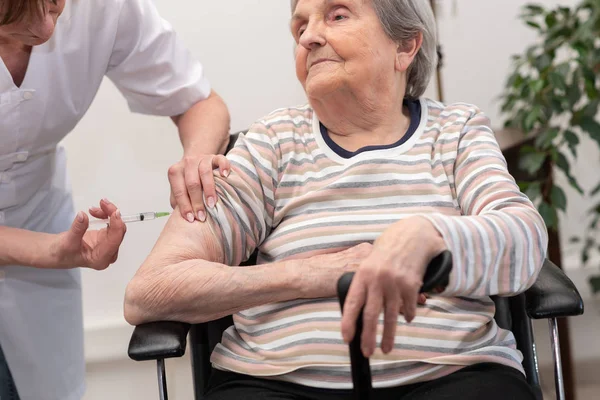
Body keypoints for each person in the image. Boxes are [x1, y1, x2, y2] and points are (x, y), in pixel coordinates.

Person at [124, 0, 548, 399]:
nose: (308, 36)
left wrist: (430, 236)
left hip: (450, 373)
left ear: (405, 45)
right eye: (300, 26)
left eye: (337, 15)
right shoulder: (271, 143)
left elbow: (524, 240)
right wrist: (312, 274)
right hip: (276, 382)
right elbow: (151, 290)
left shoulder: (456, 132)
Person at [0, 0, 232, 399]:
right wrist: (52, 252)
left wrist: (196, 159)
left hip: (38, 208)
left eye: (56, 6)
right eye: (12, 18)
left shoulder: (102, 7)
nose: (45, 30)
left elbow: (198, 102)